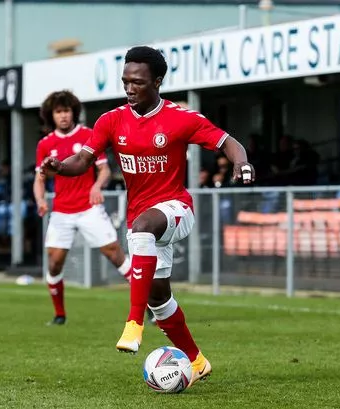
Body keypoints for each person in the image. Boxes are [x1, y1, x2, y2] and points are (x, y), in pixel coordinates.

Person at [39, 46, 254, 387]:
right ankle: (197, 361)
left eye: (137, 82)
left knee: (142, 229)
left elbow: (229, 142)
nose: (129, 88)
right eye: (125, 81)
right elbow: (81, 161)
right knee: (159, 297)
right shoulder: (111, 120)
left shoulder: (181, 118)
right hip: (142, 220)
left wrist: (241, 163)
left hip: (176, 209)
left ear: (156, 81)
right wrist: (59, 167)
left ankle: (133, 323)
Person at [34, 90, 147, 326]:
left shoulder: (88, 135)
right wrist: (40, 200)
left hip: (88, 208)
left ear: (73, 112)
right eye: (58, 112)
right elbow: (40, 178)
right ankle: (59, 315)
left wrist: (97, 186)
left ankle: (149, 307)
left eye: (66, 111)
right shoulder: (45, 144)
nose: (63, 116)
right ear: (51, 115)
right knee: (54, 262)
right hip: (62, 212)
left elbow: (104, 169)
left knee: (116, 255)